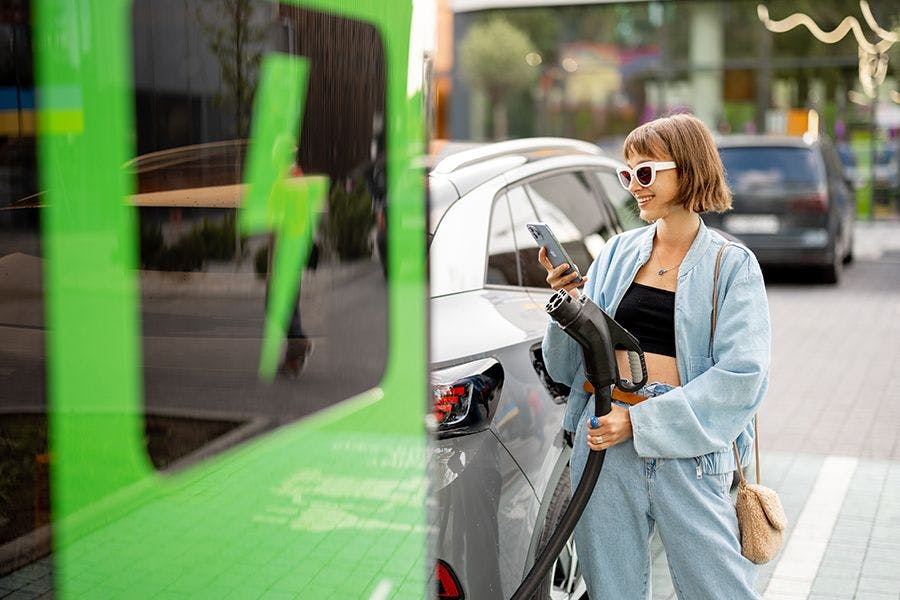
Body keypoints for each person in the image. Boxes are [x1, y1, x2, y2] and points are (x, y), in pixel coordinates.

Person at [539, 113, 770, 599]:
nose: (633, 187)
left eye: (644, 173)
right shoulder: (617, 253)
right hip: (604, 439)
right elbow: (566, 368)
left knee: (718, 588)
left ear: (685, 170)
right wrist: (568, 308)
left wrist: (640, 423)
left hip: (687, 454)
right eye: (627, 175)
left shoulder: (732, 266)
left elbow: (742, 376)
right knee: (612, 589)